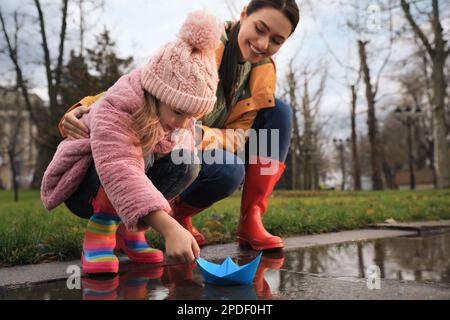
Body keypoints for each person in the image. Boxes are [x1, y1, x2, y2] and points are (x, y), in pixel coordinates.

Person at [59, 0, 300, 251]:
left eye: (276, 40)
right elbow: (145, 85)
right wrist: (83, 108)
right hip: (166, 144)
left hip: (195, 145)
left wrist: (198, 135)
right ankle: (147, 216)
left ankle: (251, 217)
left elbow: (240, 135)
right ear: (243, 15)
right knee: (218, 165)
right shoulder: (203, 45)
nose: (263, 44)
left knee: (278, 114)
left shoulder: (264, 72)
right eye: (259, 29)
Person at [41, 11, 222, 273]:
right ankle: (100, 231)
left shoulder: (176, 113)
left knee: (187, 163)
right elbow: (119, 168)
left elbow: (178, 155)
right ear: (157, 93)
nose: (186, 122)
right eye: (180, 113)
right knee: (135, 156)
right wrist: (169, 227)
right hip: (85, 185)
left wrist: (153, 215)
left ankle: (130, 229)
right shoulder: (118, 106)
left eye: (193, 115)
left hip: (126, 187)